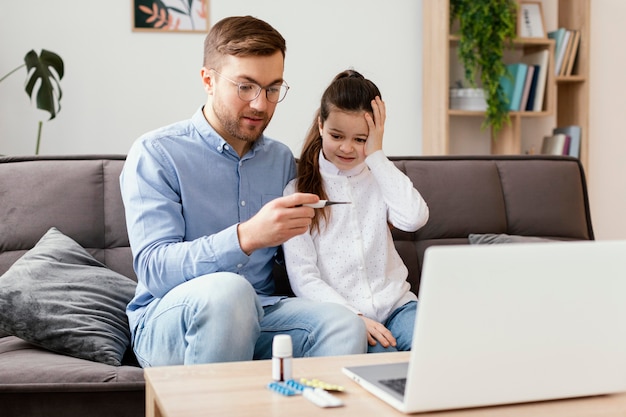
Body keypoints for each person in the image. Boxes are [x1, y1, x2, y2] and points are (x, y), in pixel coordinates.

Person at [119, 16, 367, 367]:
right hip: (172, 318)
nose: (261, 105)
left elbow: (300, 256)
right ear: (208, 80)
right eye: (245, 87)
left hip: (262, 311)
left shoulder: (280, 159)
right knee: (228, 292)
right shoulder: (157, 153)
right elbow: (154, 268)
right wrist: (247, 236)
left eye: (272, 89)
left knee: (343, 324)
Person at [282, 70, 429, 353]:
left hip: (398, 305)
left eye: (361, 139)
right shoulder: (297, 191)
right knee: (383, 363)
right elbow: (304, 277)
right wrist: (353, 316)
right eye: (337, 135)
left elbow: (414, 218)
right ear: (320, 125)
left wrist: (376, 155)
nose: (347, 148)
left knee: (435, 349)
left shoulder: (380, 177)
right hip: (346, 316)